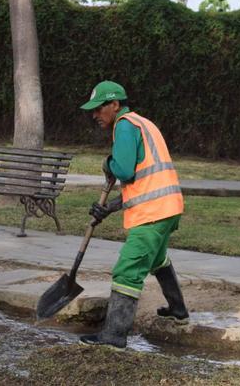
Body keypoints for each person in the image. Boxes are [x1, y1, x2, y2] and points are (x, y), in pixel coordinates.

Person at [78, 80, 189, 349]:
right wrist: (108, 209)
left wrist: (108, 162)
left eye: (99, 109)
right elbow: (141, 183)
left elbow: (125, 172)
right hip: (168, 207)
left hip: (154, 212)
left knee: (127, 271)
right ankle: (178, 310)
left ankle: (114, 336)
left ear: (115, 105)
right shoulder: (142, 123)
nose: (95, 115)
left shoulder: (125, 126)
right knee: (157, 259)